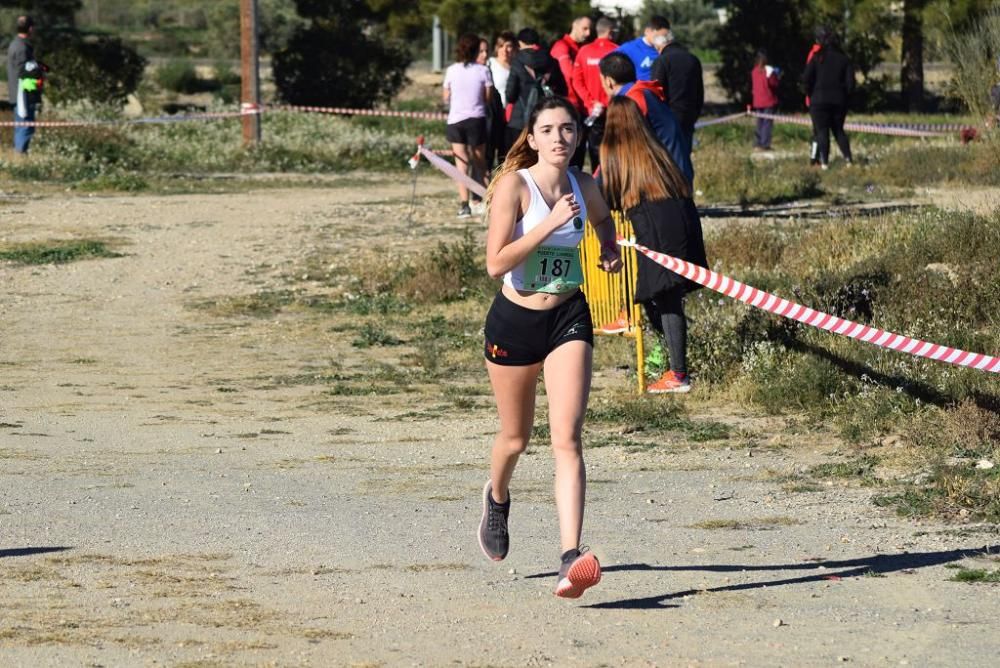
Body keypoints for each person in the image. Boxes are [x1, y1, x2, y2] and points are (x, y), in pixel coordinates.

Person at [479, 96, 622, 598]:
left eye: (568, 129)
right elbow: (496, 264)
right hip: (516, 321)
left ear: (578, 136)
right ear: (533, 138)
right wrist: (547, 224)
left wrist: (606, 248)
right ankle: (497, 498)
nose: (560, 138)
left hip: (568, 315)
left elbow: (604, 222)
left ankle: (570, 556)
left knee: (568, 437)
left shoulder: (585, 185)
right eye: (549, 130)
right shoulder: (514, 188)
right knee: (515, 439)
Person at [599, 96, 708, 393]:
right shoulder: (653, 146)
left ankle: (678, 374)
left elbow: (603, 194)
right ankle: (672, 356)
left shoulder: (613, 151)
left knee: (665, 294)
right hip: (682, 217)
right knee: (653, 292)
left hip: (656, 224)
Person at [598, 52, 692, 184]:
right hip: (676, 172)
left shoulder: (633, 100)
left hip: (667, 180)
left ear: (608, 81)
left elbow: (617, 146)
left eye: (600, 80)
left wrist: (593, 185)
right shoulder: (644, 92)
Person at [443, 33, 493, 218]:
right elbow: (488, 97)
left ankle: (464, 205)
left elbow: (446, 97)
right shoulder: (483, 71)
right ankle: (490, 198)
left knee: (461, 164)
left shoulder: (451, 70)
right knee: (480, 162)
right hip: (476, 119)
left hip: (455, 121)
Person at [649, 23, 703, 174]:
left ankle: (675, 196)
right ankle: (687, 194)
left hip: (667, 119)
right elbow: (700, 93)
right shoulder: (693, 59)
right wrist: (694, 115)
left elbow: (655, 92)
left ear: (660, 45)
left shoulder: (662, 61)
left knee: (669, 163)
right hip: (689, 117)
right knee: (685, 159)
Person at [505, 28, 568, 154]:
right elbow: (563, 91)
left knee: (519, 158)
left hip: (520, 120)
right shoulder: (552, 61)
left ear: (520, 43)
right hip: (546, 118)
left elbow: (510, 95)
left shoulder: (517, 61)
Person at [802, 27, 853, 169]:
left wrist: (809, 93)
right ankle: (849, 160)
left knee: (822, 131)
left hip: (818, 100)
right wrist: (845, 97)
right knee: (839, 131)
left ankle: (824, 163)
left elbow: (806, 78)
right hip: (838, 101)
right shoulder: (844, 59)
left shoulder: (817, 57)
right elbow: (850, 84)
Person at [572, 16, 619, 171]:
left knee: (588, 154)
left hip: (590, 111)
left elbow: (576, 81)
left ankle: (589, 189)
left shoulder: (583, 51)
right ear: (611, 32)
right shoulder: (617, 51)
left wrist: (590, 102)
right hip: (611, 111)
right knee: (612, 156)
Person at [550, 15, 592, 168]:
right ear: (575, 26)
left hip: (581, 106)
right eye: (585, 29)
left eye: (590, 29)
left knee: (578, 154)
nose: (588, 33)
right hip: (568, 104)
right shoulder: (562, 47)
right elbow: (569, 74)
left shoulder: (581, 48)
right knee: (569, 154)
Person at [486, 31, 517, 169]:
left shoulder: (517, 68)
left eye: (508, 46)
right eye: (501, 45)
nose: (505, 50)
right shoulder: (490, 64)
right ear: (496, 48)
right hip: (493, 115)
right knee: (488, 155)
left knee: (505, 156)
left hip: (510, 118)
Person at [7, 15, 37, 155]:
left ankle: (19, 154)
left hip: (20, 92)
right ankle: (20, 155)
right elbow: (22, 71)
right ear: (30, 28)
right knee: (25, 126)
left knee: (22, 125)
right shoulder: (22, 47)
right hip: (23, 93)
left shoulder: (16, 44)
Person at [613, 15, 670, 82]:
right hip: (638, 90)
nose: (662, 40)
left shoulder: (667, 49)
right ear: (647, 31)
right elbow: (610, 66)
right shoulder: (629, 49)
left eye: (664, 36)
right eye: (658, 36)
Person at [750, 49, 781, 151]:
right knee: (767, 123)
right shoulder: (769, 70)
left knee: (759, 122)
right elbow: (773, 84)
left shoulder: (754, 71)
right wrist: (777, 76)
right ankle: (764, 144)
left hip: (758, 100)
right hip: (768, 100)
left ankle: (757, 143)